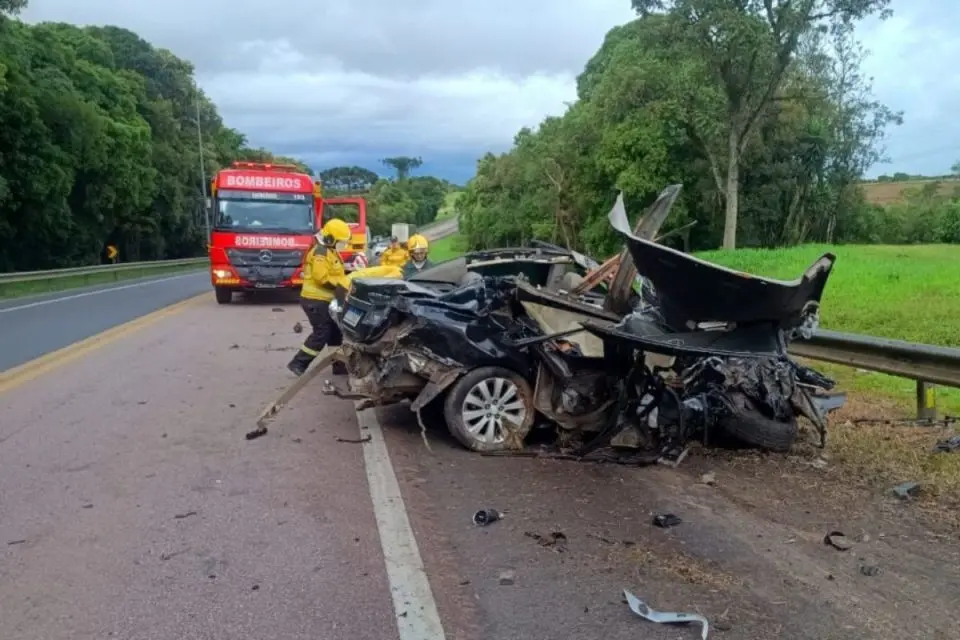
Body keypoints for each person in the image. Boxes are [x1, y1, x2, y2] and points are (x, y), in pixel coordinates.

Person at [287, 218, 352, 377]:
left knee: (336, 332)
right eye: (341, 241)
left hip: (326, 300)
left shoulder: (330, 250)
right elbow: (321, 277)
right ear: (330, 238)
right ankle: (298, 363)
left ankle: (339, 365)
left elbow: (334, 272)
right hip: (315, 300)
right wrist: (343, 283)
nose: (343, 245)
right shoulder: (320, 252)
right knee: (322, 332)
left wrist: (348, 273)